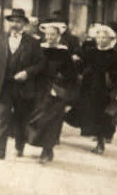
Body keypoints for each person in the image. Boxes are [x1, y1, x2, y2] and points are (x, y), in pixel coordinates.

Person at [0, 7, 46, 160]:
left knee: (21, 118)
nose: (15, 24)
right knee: (3, 117)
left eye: (18, 21)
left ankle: (19, 147)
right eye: (12, 21)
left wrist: (27, 73)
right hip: (4, 86)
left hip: (23, 87)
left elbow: (41, 63)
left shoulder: (32, 42)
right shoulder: (0, 40)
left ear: (24, 24)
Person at [67, 24, 117, 155]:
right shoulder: (90, 52)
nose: (101, 40)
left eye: (104, 38)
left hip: (106, 89)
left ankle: (101, 143)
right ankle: (96, 137)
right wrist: (76, 61)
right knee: (91, 113)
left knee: (104, 116)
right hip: (90, 88)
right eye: (99, 38)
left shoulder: (115, 55)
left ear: (110, 39)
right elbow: (81, 65)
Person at [25, 20, 79, 164]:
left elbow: (72, 75)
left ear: (58, 36)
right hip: (39, 90)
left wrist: (62, 87)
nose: (49, 37)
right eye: (47, 34)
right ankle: (37, 146)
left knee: (52, 122)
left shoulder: (64, 52)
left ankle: (47, 150)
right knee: (38, 119)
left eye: (52, 35)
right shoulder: (39, 49)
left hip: (56, 91)